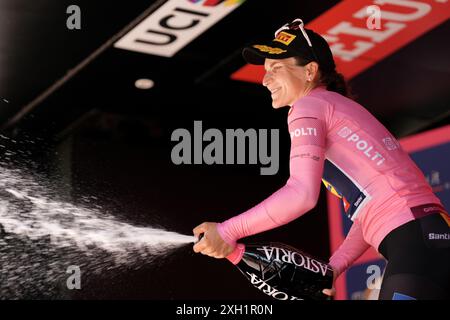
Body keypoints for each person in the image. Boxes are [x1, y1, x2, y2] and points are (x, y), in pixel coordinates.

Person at [192, 18, 450, 300]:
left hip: (417, 244)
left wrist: (228, 231)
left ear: (310, 72)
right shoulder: (335, 107)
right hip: (426, 240)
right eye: (265, 70)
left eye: (276, 68)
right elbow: (373, 211)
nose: (266, 79)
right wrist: (334, 268)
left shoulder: (308, 106)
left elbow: (301, 194)